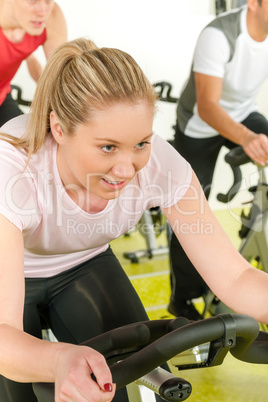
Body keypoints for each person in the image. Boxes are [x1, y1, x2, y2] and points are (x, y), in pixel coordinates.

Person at [1, 37, 268, 402]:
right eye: (107, 147)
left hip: (84, 263)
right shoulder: (14, 171)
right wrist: (58, 359)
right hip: (13, 274)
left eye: (141, 143)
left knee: (134, 384)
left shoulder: (161, 164)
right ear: (59, 130)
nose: (127, 169)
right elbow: (3, 333)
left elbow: (235, 276)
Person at [168, 0, 268, 320]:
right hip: (199, 124)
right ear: (254, 3)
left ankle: (257, 223)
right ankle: (182, 299)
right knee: (191, 214)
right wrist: (248, 138)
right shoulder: (219, 35)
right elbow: (208, 106)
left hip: (242, 113)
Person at [0, 0, 67, 127]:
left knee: (25, 141)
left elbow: (59, 75)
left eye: (48, 1)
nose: (43, 12)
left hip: (2, 96)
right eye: (32, 1)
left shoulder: (51, 17)